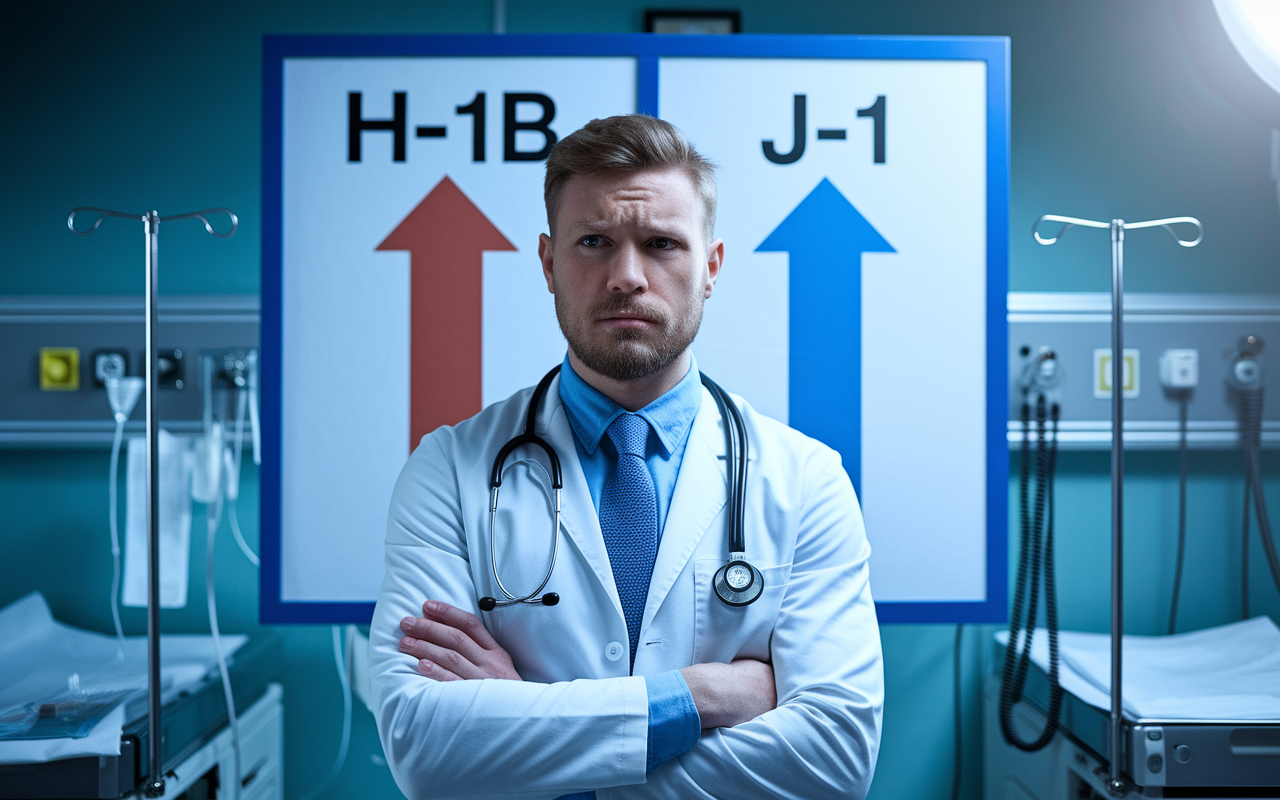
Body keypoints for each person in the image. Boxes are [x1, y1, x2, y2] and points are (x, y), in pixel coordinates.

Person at [370, 114, 883, 800]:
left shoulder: (808, 481)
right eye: (594, 242)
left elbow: (834, 762)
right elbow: (425, 750)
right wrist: (699, 699)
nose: (627, 277)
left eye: (662, 243)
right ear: (550, 264)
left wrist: (530, 726)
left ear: (711, 268)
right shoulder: (449, 469)